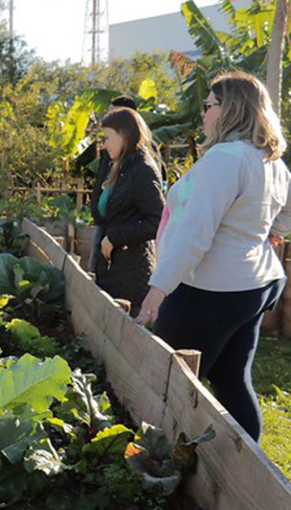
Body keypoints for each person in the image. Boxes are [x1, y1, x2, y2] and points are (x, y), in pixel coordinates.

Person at [137, 72, 291, 442]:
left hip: (211, 289)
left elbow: (194, 234)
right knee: (231, 378)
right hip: (254, 285)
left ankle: (157, 461)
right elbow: (285, 216)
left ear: (230, 110)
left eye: (209, 105)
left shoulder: (225, 159)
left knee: (167, 380)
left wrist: (158, 288)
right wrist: (270, 232)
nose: (203, 112)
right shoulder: (270, 161)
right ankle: (247, 466)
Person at [90, 108, 165, 314]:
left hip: (131, 273)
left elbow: (156, 221)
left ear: (123, 135)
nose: (104, 145)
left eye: (107, 138)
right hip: (114, 269)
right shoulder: (119, 167)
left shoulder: (143, 170)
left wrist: (114, 237)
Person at [89, 95, 138, 271]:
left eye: (113, 113)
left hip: (122, 230)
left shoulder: (140, 158)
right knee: (96, 268)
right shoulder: (108, 149)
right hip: (104, 221)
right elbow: (102, 180)